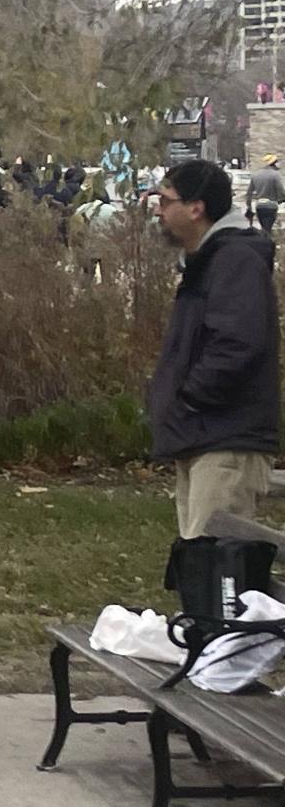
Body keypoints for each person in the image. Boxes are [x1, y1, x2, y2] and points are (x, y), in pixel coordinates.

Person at [149, 160, 279, 539]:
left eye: (165, 199)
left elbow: (237, 344)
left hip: (226, 440)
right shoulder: (206, 261)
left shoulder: (234, 259)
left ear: (196, 208)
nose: (158, 209)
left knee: (218, 572)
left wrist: (189, 398)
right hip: (202, 436)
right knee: (197, 567)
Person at [250, 155, 285, 236]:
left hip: (259, 206)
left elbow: (249, 192)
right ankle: (267, 243)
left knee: (264, 227)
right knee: (268, 228)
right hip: (271, 205)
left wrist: (249, 206)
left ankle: (264, 241)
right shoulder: (275, 175)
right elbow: (280, 189)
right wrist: (282, 199)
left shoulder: (255, 174)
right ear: (273, 163)